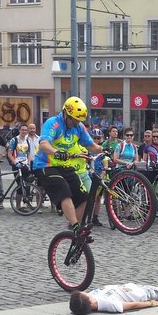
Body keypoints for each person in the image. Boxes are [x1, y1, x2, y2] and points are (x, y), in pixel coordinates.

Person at [35, 96, 104, 229]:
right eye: (74, 120)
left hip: (64, 166)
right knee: (64, 189)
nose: (77, 123)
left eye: (79, 120)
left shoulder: (79, 127)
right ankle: (76, 226)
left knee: (86, 198)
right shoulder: (53, 123)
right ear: (66, 113)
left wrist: (104, 149)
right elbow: (43, 144)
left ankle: (73, 231)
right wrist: (56, 152)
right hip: (45, 165)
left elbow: (91, 146)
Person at [69, 269, 158, 315]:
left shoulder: (92, 297)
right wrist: (151, 304)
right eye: (84, 294)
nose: (86, 292)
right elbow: (130, 306)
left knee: (157, 289)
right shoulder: (108, 304)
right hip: (140, 296)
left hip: (132, 289)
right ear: (90, 302)